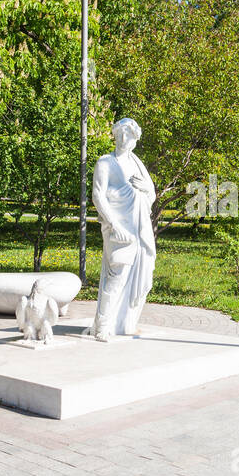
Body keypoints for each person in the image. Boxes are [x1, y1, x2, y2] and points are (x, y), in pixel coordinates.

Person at [90, 118, 156, 340]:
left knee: (142, 276)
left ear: (135, 139)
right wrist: (114, 224)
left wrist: (146, 188)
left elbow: (151, 194)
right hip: (118, 228)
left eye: (128, 135)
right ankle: (102, 326)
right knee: (117, 275)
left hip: (139, 228)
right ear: (115, 135)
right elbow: (98, 194)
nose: (123, 139)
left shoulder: (137, 164)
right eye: (120, 134)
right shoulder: (105, 163)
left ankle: (124, 322)